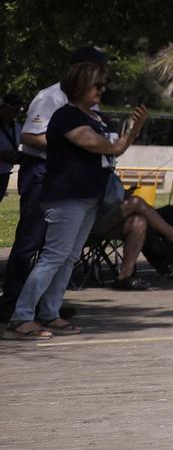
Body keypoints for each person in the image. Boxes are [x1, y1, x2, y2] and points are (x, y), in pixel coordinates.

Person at [6, 61, 145, 339]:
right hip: (67, 196)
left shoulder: (96, 117)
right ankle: (21, 317)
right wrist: (130, 135)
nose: (102, 90)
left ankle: (50, 313)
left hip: (90, 196)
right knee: (54, 256)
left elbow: (112, 149)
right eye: (97, 85)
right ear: (80, 85)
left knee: (68, 258)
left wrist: (126, 137)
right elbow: (101, 145)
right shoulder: (66, 116)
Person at [0, 46, 109, 323]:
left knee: (64, 249)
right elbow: (29, 136)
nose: (102, 79)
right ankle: (13, 304)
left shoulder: (91, 104)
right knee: (31, 242)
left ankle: (46, 307)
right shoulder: (50, 97)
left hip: (75, 179)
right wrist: (68, 142)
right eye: (97, 70)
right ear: (79, 69)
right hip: (43, 173)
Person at [0, 94, 22, 202]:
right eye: (12, 109)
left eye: (17, 110)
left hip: (4, 174)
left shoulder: (17, 128)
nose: (14, 113)